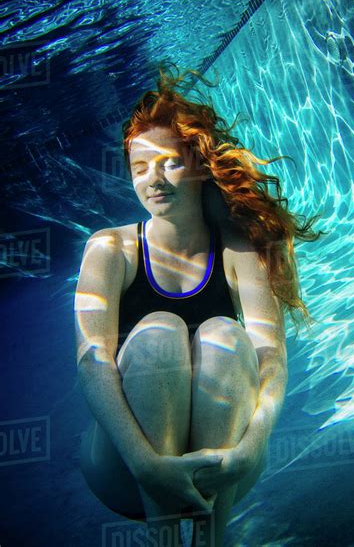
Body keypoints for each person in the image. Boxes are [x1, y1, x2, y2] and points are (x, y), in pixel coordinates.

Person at [74, 63, 323, 547]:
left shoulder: (238, 249)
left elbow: (271, 357)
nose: (153, 180)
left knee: (225, 335)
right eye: (139, 168)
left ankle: (214, 541)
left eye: (168, 161)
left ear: (199, 163)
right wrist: (147, 466)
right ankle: (164, 537)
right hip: (127, 468)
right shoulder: (110, 249)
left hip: (227, 470)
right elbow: (92, 361)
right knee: (160, 331)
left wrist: (253, 448)